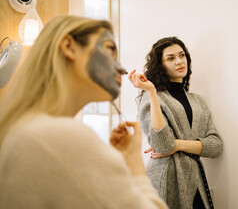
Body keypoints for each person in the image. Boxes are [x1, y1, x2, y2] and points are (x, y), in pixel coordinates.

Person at [0, 15, 168, 209]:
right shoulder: (58, 136)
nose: (122, 69)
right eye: (109, 49)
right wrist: (134, 161)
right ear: (69, 47)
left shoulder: (23, 129)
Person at [128, 37, 222, 209]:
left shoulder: (198, 102)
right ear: (160, 65)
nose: (179, 61)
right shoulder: (153, 98)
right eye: (171, 58)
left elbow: (215, 146)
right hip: (164, 177)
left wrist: (177, 145)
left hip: (196, 179)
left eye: (182, 55)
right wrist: (151, 91)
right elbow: (163, 145)